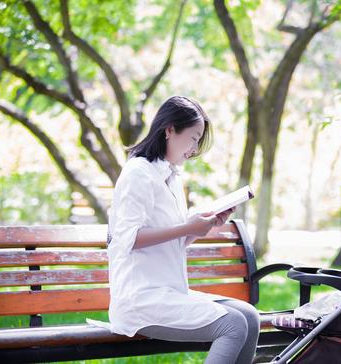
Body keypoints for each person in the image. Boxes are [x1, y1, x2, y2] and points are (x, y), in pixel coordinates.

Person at [107, 96, 260, 364]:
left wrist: (202, 227)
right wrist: (186, 228)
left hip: (169, 293)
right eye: (193, 137)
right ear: (169, 130)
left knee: (250, 316)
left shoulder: (172, 176)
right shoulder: (138, 173)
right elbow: (127, 240)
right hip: (140, 301)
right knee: (233, 325)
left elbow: (170, 242)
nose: (195, 147)